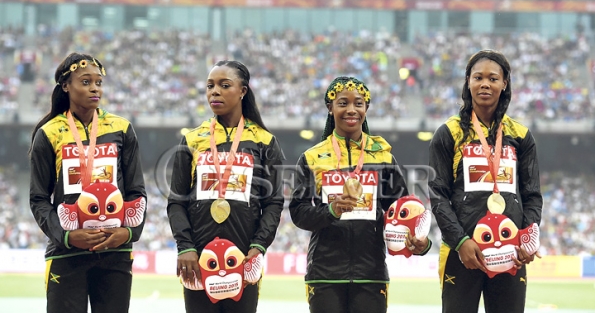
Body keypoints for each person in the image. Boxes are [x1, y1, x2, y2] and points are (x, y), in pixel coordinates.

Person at [290, 76, 431, 313]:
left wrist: (420, 242)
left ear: (366, 108)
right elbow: (298, 212)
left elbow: (403, 212)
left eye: (359, 103)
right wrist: (332, 211)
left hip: (371, 273)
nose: (351, 110)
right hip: (325, 274)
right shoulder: (312, 157)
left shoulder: (383, 156)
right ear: (330, 108)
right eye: (343, 103)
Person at [29, 53, 147, 313]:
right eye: (86, 81)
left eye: (99, 82)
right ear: (65, 86)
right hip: (66, 254)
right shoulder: (48, 133)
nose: (95, 88)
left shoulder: (122, 128)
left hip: (115, 252)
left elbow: (137, 192)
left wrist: (127, 233)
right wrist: (68, 237)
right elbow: (38, 199)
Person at [428, 49, 543, 313]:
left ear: (505, 84)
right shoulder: (449, 133)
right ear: (468, 81)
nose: (485, 84)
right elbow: (437, 194)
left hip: (510, 250)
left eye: (493, 78)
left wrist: (527, 237)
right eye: (478, 77)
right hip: (462, 253)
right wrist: (460, 242)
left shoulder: (521, 135)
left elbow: (533, 194)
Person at [167, 60, 284, 313]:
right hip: (198, 259)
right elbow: (177, 201)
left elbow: (273, 202)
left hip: (243, 258)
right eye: (210, 86)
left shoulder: (264, 141)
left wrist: (258, 246)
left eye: (224, 85)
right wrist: (185, 246)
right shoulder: (192, 139)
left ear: (243, 91)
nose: (214, 91)